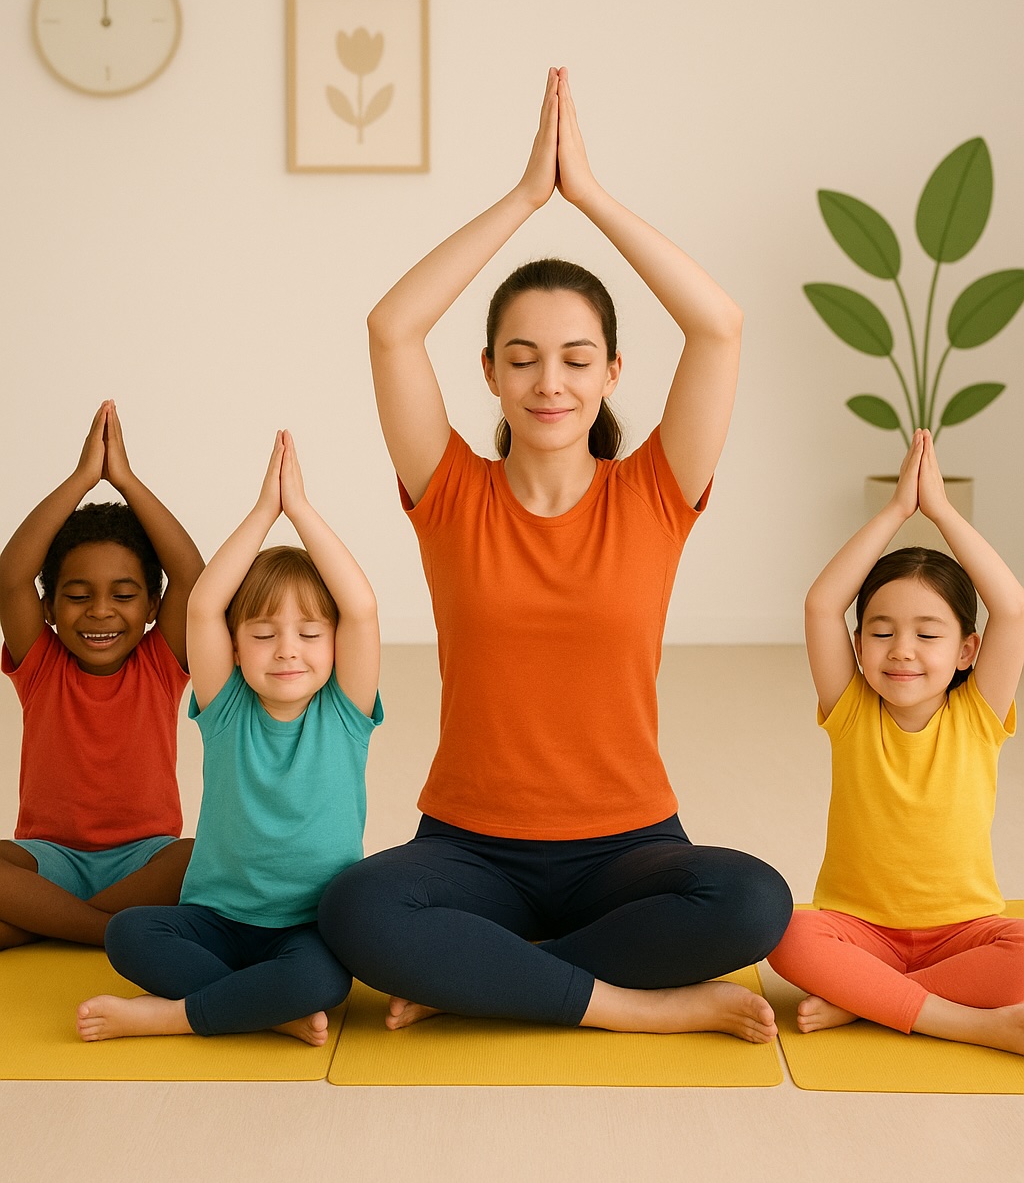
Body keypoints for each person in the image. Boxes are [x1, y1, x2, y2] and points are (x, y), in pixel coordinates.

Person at [318, 66, 791, 1040]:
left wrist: (591, 199)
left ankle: (489, 981)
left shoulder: (655, 493)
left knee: (753, 903)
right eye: (521, 357)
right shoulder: (450, 494)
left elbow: (720, 325)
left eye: (576, 358)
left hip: (628, 851)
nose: (549, 382)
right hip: (467, 852)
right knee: (353, 912)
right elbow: (390, 327)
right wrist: (524, 199)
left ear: (613, 370)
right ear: (487, 371)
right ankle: (624, 1007)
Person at [76, 431, 382, 1046]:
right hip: (214, 919)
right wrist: (263, 512)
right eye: (264, 634)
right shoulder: (226, 707)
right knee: (127, 934)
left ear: (335, 644)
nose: (287, 650)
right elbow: (204, 605)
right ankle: (262, 1006)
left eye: (308, 634)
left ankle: (174, 1016)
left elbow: (363, 608)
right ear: (235, 648)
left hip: (304, 927)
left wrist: (300, 510)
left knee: (324, 981)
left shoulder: (345, 711)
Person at [769, 429, 1024, 1054]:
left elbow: (1012, 609)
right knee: (785, 935)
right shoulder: (851, 708)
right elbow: (823, 604)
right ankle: (958, 1019)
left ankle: (868, 999)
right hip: (857, 930)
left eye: (928, 635)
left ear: (969, 650)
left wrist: (941, 511)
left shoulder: (979, 713)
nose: (902, 650)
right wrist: (894, 511)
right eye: (881, 632)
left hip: (964, 931)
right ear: (859, 647)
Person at [0, 400, 202, 950]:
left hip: (146, 859)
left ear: (153, 605)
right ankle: (103, 928)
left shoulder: (161, 664)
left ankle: (45, 923)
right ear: (48, 607)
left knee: (202, 856)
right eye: (77, 595)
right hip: (49, 858)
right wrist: (81, 478)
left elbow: (191, 574)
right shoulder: (41, 665)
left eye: (124, 594)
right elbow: (11, 578)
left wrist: (126, 480)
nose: (100, 612)